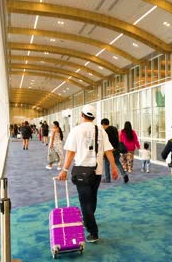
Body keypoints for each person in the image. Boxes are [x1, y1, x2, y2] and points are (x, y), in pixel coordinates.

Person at [58, 104, 119, 243]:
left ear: (82, 115)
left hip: (82, 172)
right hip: (96, 172)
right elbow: (108, 150)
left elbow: (71, 152)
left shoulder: (76, 130)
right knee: (92, 198)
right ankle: (88, 219)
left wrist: (65, 169)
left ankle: (93, 231)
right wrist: (114, 167)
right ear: (93, 117)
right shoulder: (101, 131)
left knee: (85, 202)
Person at [100, 118, 129, 183]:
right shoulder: (114, 128)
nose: (102, 127)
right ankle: (124, 174)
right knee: (117, 162)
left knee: (107, 164)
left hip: (109, 150)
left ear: (103, 124)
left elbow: (105, 142)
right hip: (116, 149)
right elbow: (119, 138)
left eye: (102, 125)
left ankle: (107, 179)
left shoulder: (105, 131)